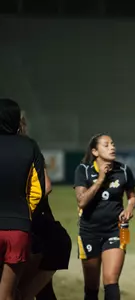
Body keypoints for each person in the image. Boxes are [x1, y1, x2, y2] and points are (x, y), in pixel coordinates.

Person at [74, 134, 135, 300]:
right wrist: (101, 178)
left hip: (117, 230)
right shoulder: (83, 170)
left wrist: (129, 207)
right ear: (95, 151)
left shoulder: (123, 170)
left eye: (113, 144)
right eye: (106, 145)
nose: (112, 147)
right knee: (91, 288)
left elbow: (132, 197)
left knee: (111, 281)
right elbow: (81, 202)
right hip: (89, 232)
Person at [15, 111, 72, 300]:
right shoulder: (28, 147)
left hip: (15, 226)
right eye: (22, 122)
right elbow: (45, 187)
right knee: (26, 291)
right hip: (36, 229)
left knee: (42, 290)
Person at [0, 98, 46, 300]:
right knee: (7, 292)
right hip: (17, 227)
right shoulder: (29, 146)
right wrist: (25, 213)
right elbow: (38, 189)